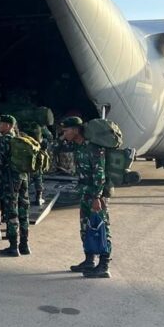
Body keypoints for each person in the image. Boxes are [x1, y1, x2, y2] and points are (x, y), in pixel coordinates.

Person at [61, 117, 112, 279]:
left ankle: (104, 265)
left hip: (97, 195)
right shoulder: (78, 146)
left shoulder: (93, 148)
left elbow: (100, 174)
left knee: (102, 228)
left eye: (67, 130)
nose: (64, 134)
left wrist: (97, 197)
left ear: (76, 130)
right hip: (86, 193)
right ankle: (89, 260)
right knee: (86, 227)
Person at [0, 115, 31, 257]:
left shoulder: (4, 140)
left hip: (10, 179)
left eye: (0, 123)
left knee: (11, 212)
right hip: (23, 178)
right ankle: (25, 245)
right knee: (23, 211)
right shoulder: (21, 139)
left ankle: (13, 247)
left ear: (8, 126)